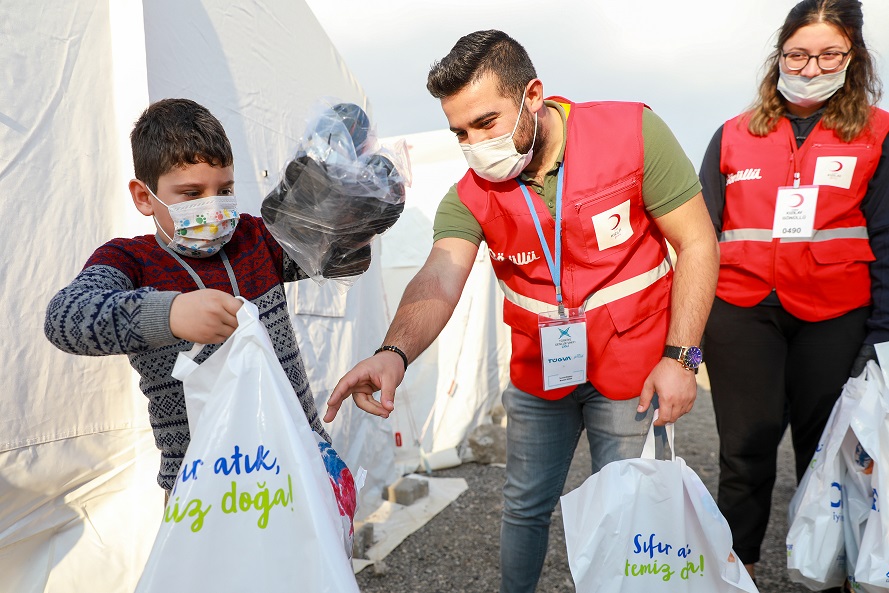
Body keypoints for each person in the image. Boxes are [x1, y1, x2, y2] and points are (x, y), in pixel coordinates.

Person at [325, 30, 719, 592]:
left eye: (486, 123)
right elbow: (438, 274)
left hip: (633, 366)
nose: (474, 144)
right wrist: (394, 352)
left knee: (627, 507)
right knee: (524, 505)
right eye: (459, 131)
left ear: (533, 95)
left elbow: (698, 242)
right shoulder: (469, 194)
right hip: (542, 371)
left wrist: (682, 357)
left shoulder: (632, 134)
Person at [43, 98, 350, 496]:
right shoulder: (131, 260)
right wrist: (168, 314)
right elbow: (64, 318)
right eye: (191, 194)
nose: (213, 208)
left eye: (224, 190)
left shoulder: (255, 240)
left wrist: (352, 205)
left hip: (301, 465)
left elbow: (334, 256)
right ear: (143, 196)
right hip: (203, 490)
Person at [698, 0, 889, 587]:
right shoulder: (733, 134)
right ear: (779, 54)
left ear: (852, 57)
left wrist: (880, 333)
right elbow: (702, 237)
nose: (810, 67)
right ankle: (739, 573)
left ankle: (825, 575)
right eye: (797, 54)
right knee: (744, 453)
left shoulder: (878, 134)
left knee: (826, 455)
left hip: (835, 316)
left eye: (828, 54)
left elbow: (885, 235)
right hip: (741, 312)